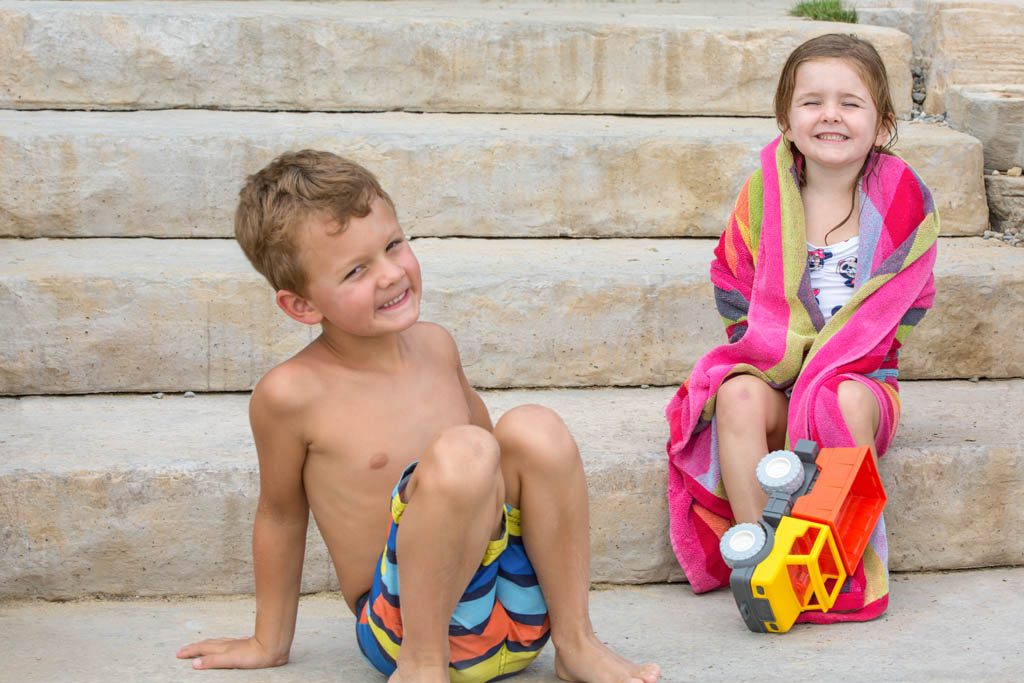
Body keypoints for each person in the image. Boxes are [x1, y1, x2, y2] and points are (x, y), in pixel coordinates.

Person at [176, 150, 661, 683]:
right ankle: (421, 669)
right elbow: (281, 515)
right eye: (356, 270)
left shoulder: (437, 347)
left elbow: (500, 473)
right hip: (402, 627)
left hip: (514, 613)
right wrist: (269, 641)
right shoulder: (291, 394)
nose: (390, 274)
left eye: (393, 245)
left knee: (531, 428)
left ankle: (577, 644)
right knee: (467, 450)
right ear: (302, 306)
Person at [665, 34, 939, 622]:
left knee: (835, 399)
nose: (831, 115)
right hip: (777, 372)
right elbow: (732, 279)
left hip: (860, 378)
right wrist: (776, 353)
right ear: (786, 120)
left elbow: (907, 302)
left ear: (883, 124)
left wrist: (835, 359)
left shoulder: (902, 200)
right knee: (736, 395)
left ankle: (836, 566)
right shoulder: (765, 193)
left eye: (851, 102)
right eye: (812, 102)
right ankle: (763, 559)